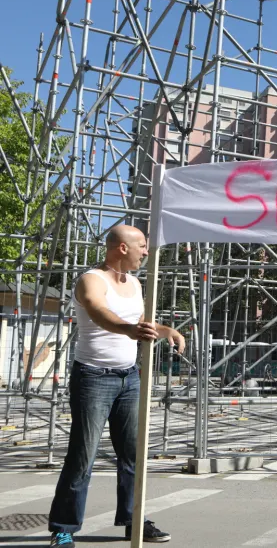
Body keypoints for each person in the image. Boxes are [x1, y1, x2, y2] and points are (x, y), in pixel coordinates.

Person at [48, 225, 185, 547]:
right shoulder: (90, 280)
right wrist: (129, 331)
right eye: (142, 246)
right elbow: (100, 313)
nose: (147, 252)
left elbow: (142, 322)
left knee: (133, 454)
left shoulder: (135, 283)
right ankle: (64, 527)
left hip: (129, 378)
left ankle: (133, 520)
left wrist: (168, 330)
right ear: (122, 247)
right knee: (83, 455)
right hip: (94, 377)